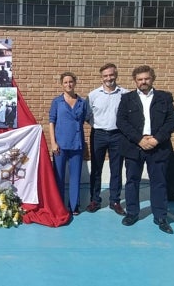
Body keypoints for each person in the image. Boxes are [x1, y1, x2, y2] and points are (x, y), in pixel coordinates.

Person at [116, 65, 174, 234]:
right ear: (135, 81)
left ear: (152, 78)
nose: (143, 82)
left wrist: (157, 139)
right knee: (132, 181)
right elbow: (121, 121)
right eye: (140, 79)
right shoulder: (126, 98)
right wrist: (139, 140)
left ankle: (160, 216)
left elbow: (172, 121)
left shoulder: (164, 97)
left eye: (146, 78)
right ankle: (132, 213)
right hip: (134, 146)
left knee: (159, 182)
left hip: (158, 146)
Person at [85, 63, 128, 215]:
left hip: (118, 135)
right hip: (99, 135)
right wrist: (97, 125)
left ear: (116, 75)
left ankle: (115, 201)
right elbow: (88, 115)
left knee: (116, 169)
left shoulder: (125, 94)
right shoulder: (93, 95)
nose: (108, 78)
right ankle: (95, 200)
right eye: (105, 76)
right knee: (96, 169)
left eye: (111, 75)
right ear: (101, 77)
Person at [49, 72, 87, 216]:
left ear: (75, 83)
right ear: (62, 84)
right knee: (58, 176)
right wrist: (53, 142)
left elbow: (83, 120)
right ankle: (59, 205)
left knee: (75, 176)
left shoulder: (82, 103)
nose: (68, 84)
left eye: (71, 82)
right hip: (60, 145)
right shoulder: (57, 102)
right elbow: (52, 122)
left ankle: (74, 205)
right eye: (65, 82)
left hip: (76, 144)